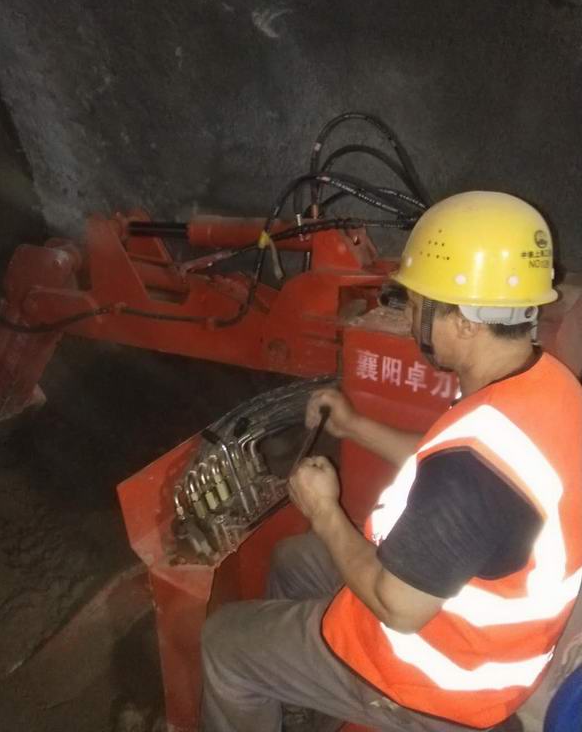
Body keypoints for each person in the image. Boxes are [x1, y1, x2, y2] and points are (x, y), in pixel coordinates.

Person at [200, 191, 582, 732]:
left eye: (419, 303)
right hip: (471, 606)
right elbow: (450, 466)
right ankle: (301, 699)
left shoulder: (472, 474)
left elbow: (398, 606)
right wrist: (355, 426)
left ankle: (308, 683)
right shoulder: (547, 384)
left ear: (466, 322)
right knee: (292, 560)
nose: (409, 315)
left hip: (442, 678)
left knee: (224, 644)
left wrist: (324, 510)